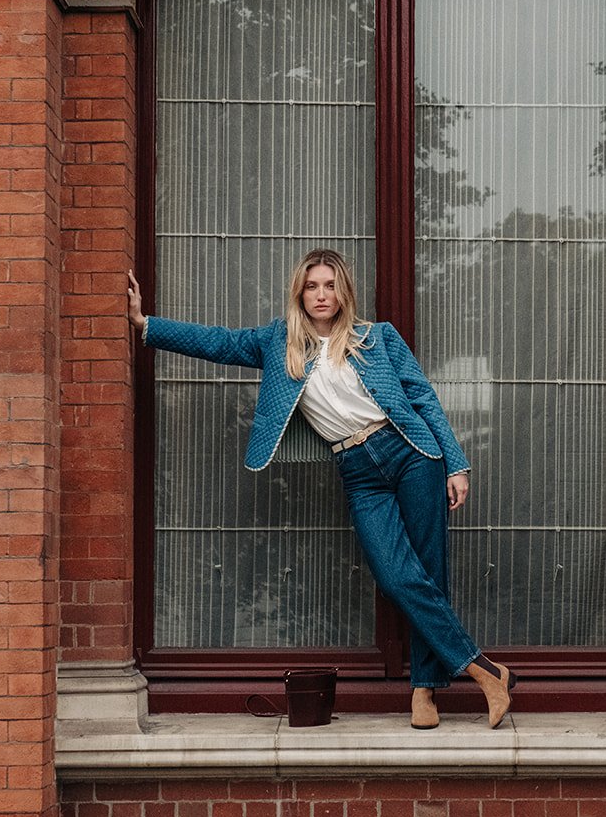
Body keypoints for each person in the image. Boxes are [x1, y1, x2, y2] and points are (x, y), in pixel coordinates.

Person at [127, 248, 514, 729]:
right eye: (312, 286)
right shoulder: (279, 342)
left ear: (343, 291)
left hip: (411, 453)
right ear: (300, 293)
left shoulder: (378, 338)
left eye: (329, 285)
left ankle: (425, 692)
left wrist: (456, 464)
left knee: (429, 571)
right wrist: (148, 325)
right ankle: (485, 670)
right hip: (358, 468)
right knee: (396, 575)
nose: (321, 294)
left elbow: (423, 398)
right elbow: (220, 342)